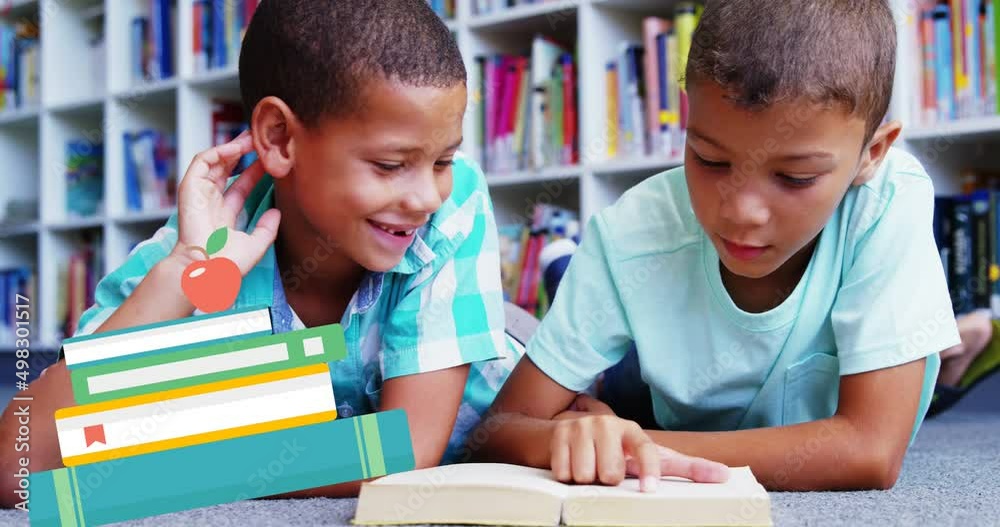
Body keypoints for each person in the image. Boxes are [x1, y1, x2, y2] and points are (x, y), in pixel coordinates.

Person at [0, 0, 523, 502]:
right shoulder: (202, 243)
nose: (427, 196)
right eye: (389, 165)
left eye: (443, 160)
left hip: (506, 375)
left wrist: (158, 464)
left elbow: (403, 449)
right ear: (278, 138)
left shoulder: (453, 206)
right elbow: (16, 469)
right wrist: (182, 275)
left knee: (581, 396)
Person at [475, 0, 960, 492]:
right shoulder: (630, 232)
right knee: (610, 389)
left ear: (871, 154)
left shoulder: (888, 198)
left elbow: (871, 452)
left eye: (795, 177)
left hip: (657, 406)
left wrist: (638, 445)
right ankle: (570, 272)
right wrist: (573, 436)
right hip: (654, 365)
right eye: (709, 160)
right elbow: (495, 432)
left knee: (616, 406)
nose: (740, 212)